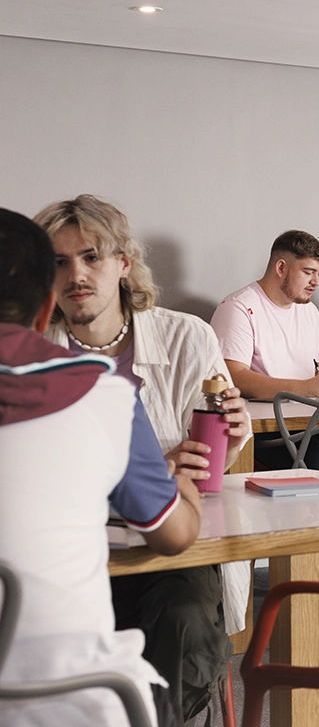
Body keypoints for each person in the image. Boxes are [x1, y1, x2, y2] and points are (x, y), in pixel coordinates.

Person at [34, 195, 252, 723]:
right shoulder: (33, 352)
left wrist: (229, 436)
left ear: (124, 263)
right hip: (69, 551)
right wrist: (156, 467)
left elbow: (209, 462)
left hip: (170, 548)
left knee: (181, 618)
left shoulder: (186, 337)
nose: (76, 275)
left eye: (92, 256)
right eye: (59, 262)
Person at [0, 207, 201, 727]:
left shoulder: (184, 337)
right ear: (48, 307)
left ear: (123, 265)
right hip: (75, 697)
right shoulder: (102, 394)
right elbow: (175, 535)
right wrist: (184, 484)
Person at [210, 229, 319, 474]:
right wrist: (303, 388)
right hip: (264, 427)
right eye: (308, 272)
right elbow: (232, 376)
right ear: (281, 267)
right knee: (317, 462)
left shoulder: (309, 311)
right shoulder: (238, 308)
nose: (316, 281)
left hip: (311, 419)